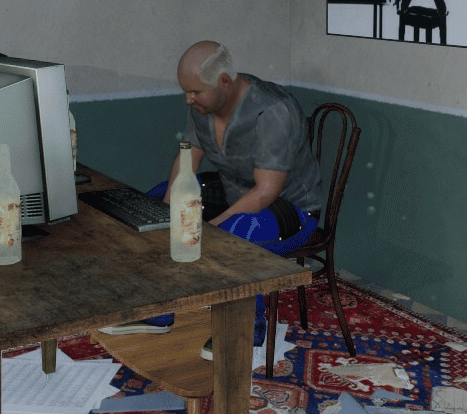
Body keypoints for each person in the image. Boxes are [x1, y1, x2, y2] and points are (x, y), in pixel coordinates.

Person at [99, 41, 323, 344]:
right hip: (234, 192)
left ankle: (246, 329)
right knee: (150, 207)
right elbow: (187, 161)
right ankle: (158, 312)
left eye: (195, 92)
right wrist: (165, 216)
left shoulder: (272, 110)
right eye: (185, 91)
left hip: (290, 209)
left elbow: (265, 193)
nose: (188, 99)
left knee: (236, 233)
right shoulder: (205, 105)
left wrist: (212, 228)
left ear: (225, 81)